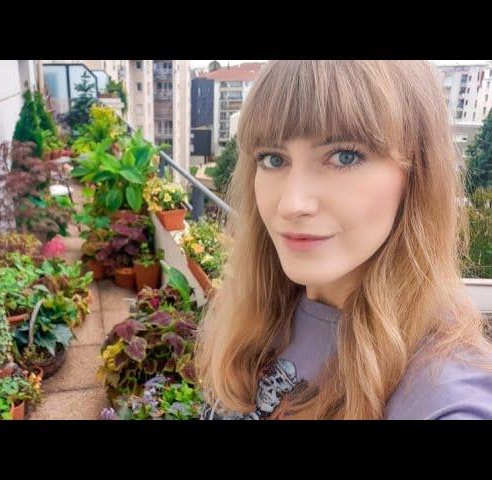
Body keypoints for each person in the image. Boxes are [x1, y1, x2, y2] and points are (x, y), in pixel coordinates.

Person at [196, 60, 492, 420]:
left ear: (417, 173)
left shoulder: (440, 391)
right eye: (273, 158)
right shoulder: (263, 310)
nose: (291, 204)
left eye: (344, 156)